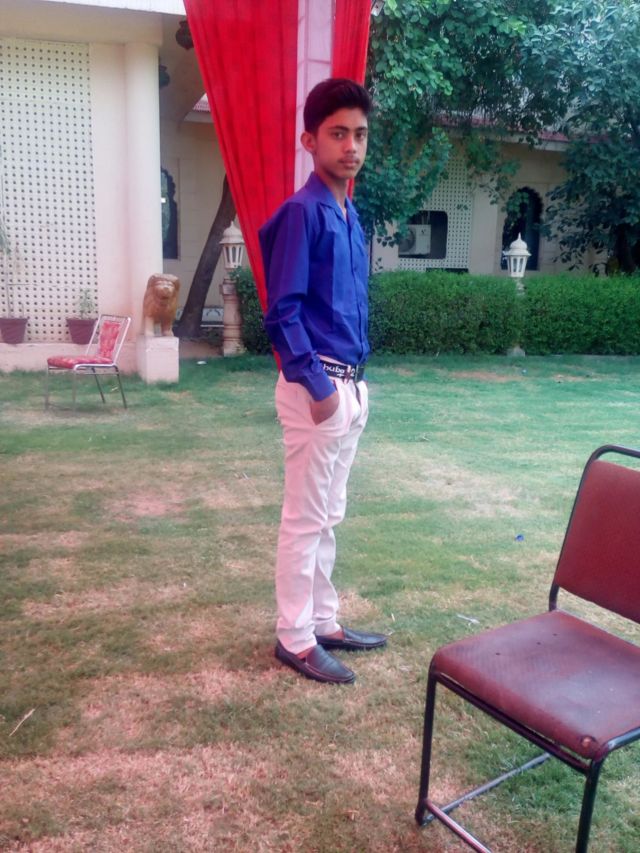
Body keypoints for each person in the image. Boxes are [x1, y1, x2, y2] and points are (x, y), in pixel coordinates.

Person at [259, 78, 387, 685]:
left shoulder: (348, 214)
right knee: (305, 519)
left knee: (328, 516)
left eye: (359, 134)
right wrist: (320, 388)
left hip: (350, 387)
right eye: (338, 134)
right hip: (319, 391)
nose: (351, 146)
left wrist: (351, 391)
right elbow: (281, 312)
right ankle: (294, 637)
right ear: (310, 140)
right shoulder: (302, 213)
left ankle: (323, 621)